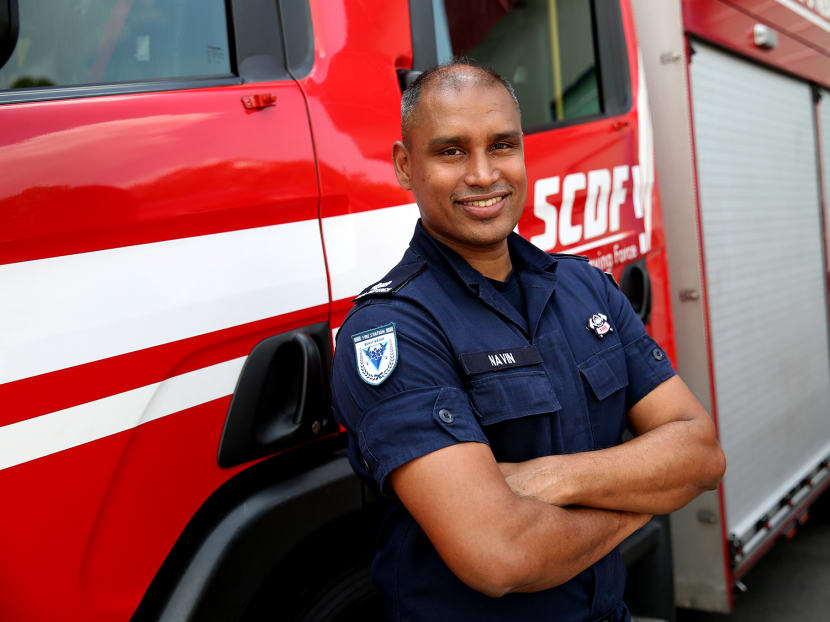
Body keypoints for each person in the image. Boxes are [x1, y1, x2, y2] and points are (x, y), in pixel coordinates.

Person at [331, 60, 726, 622]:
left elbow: (702, 453)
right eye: (450, 151)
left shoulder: (586, 289)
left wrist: (553, 479)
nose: (482, 174)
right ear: (404, 165)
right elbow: (502, 555)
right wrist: (645, 502)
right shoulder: (395, 330)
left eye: (501, 146)